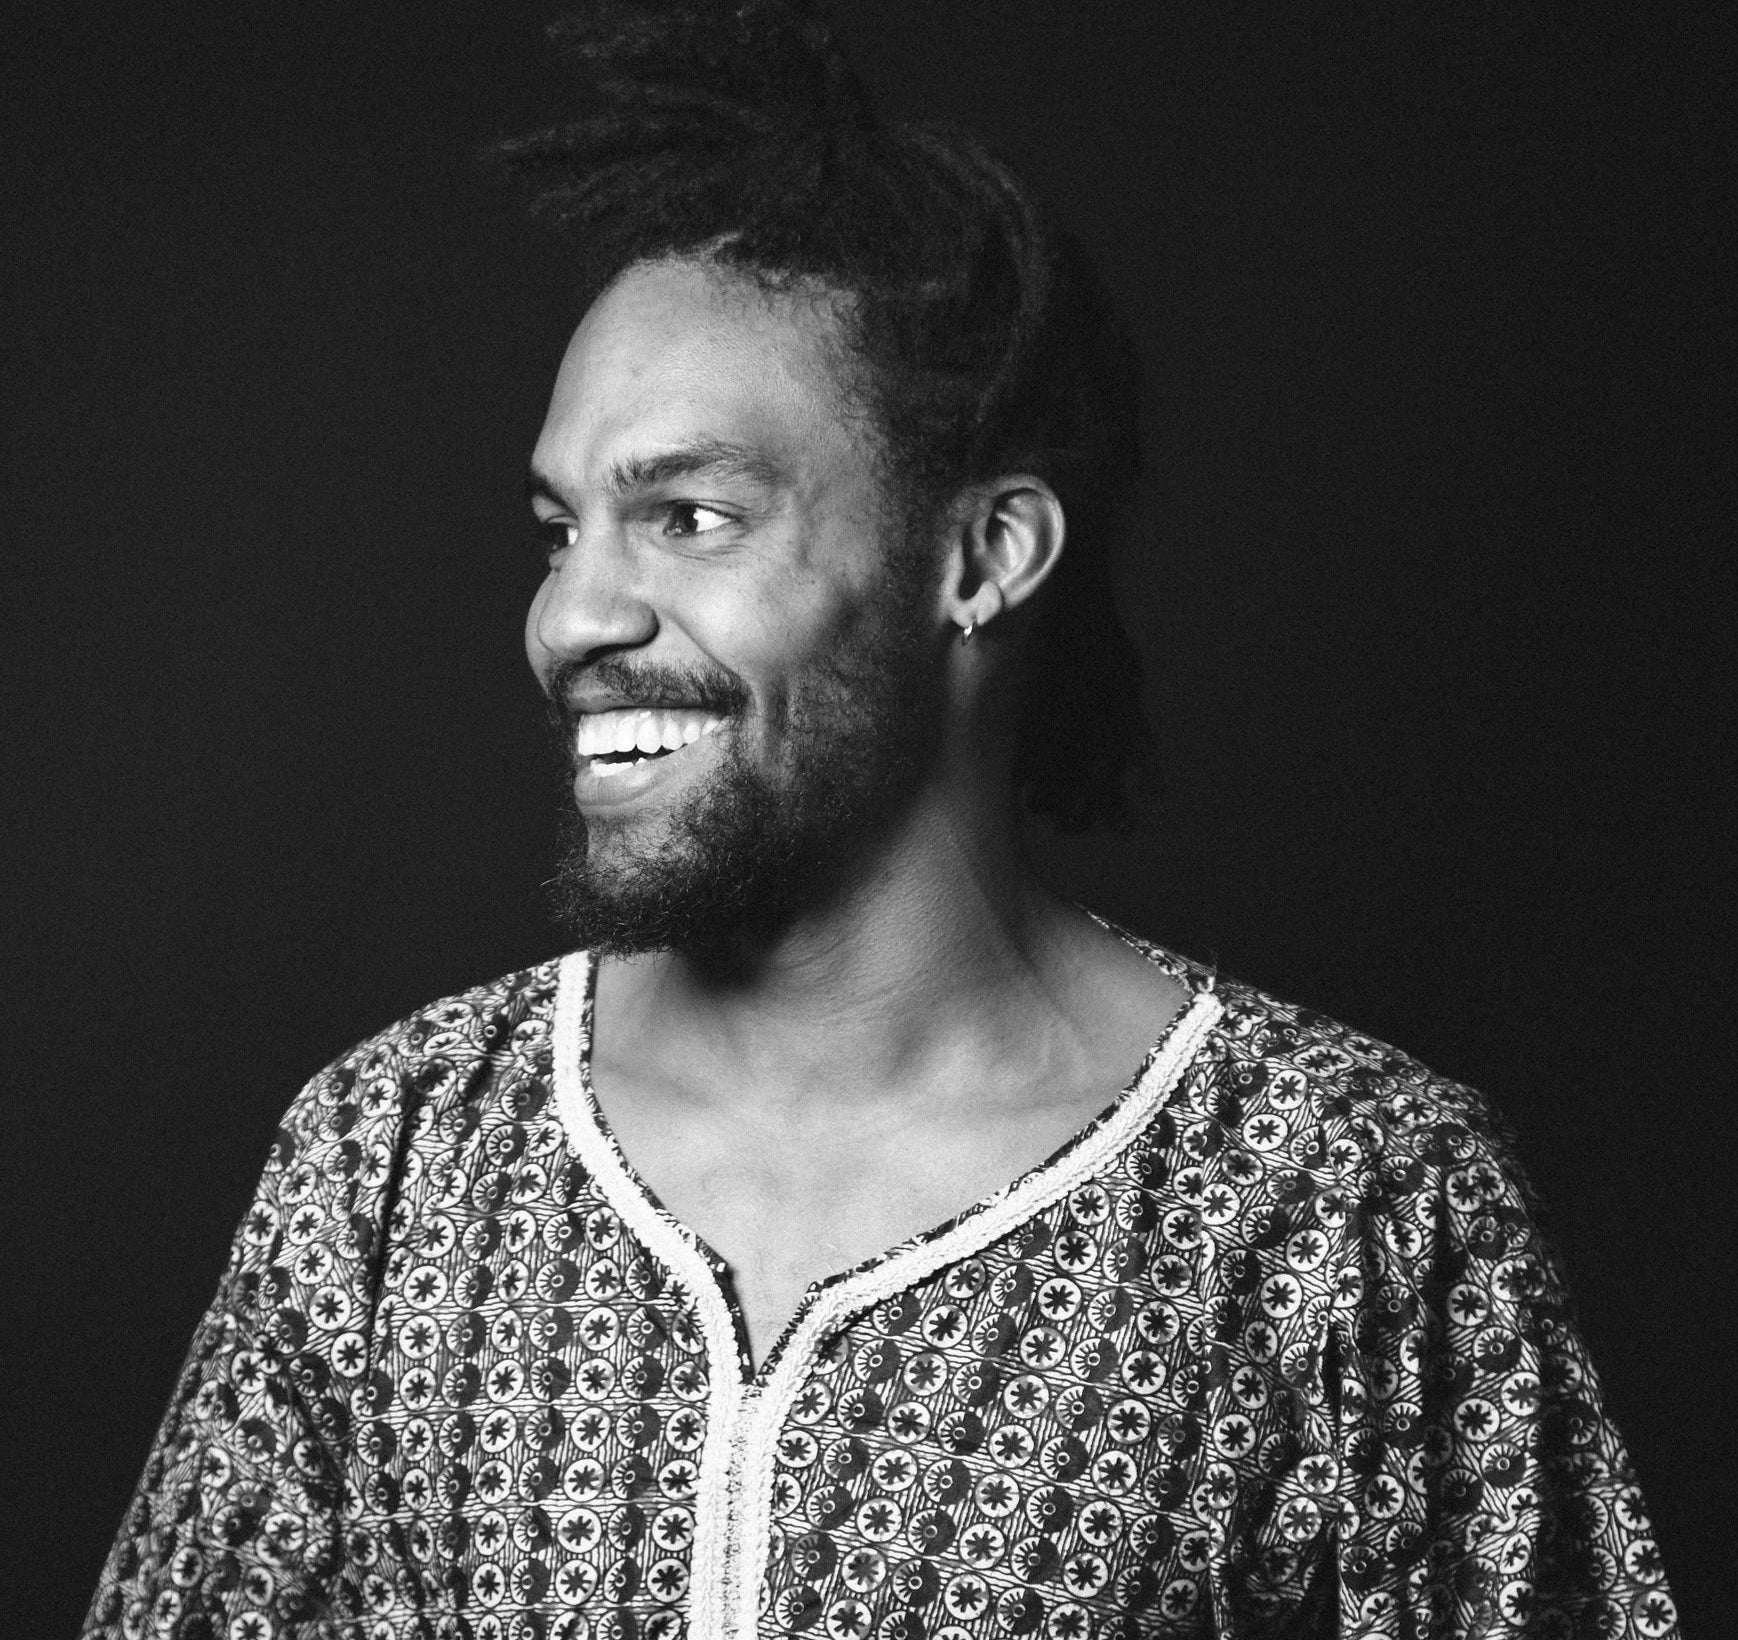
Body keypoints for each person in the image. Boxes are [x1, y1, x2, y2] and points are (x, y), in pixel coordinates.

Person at [84, 4, 1678, 1637]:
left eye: (687, 517)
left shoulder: (1342, 1204)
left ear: (980, 560)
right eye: (560, 531)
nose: (571, 620)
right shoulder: (395, 1161)